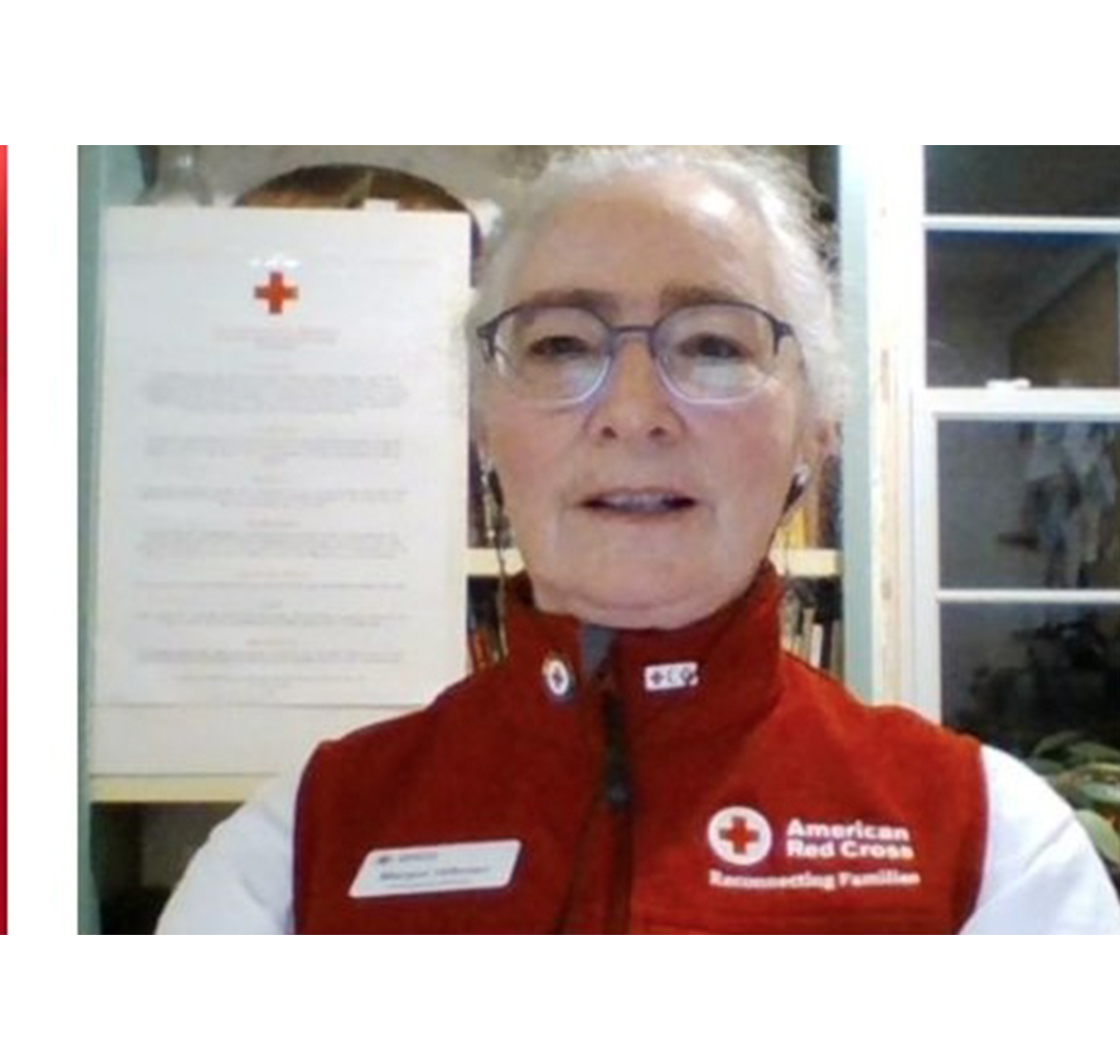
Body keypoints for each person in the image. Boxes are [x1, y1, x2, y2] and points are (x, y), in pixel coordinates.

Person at [158, 147, 1120, 934]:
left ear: (815, 433)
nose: (632, 410)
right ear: (485, 428)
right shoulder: (291, 856)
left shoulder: (993, 851)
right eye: (559, 345)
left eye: (713, 345)